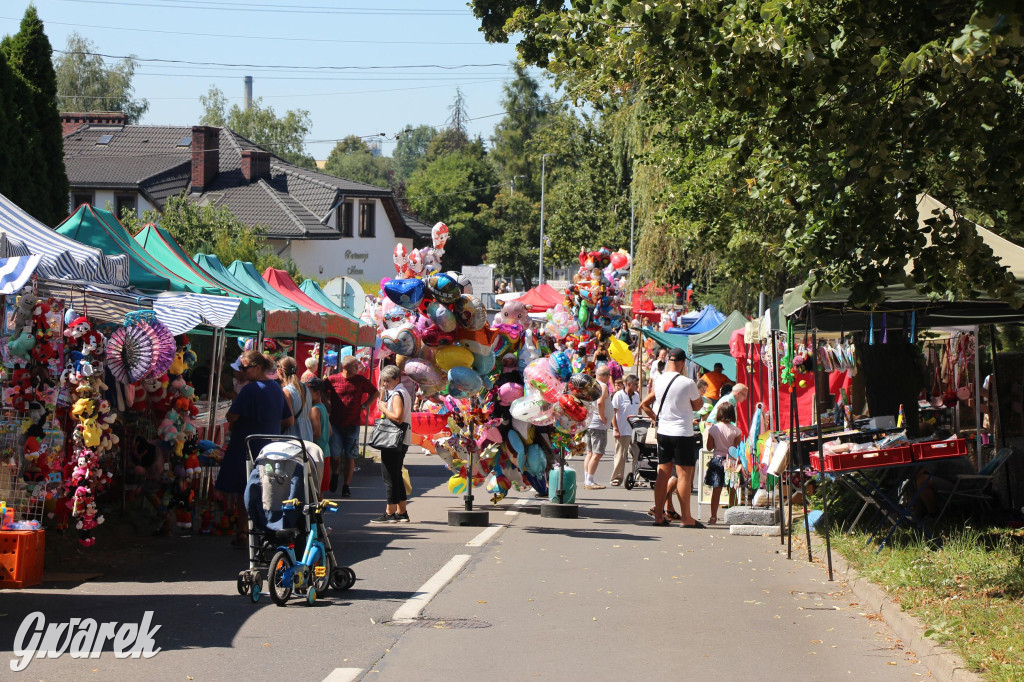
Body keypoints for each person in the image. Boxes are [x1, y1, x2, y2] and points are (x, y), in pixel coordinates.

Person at [216, 350, 293, 543]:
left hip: (248, 445)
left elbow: (231, 417)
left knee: (245, 487)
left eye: (245, 367)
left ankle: (243, 530)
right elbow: (288, 419)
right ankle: (268, 528)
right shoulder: (276, 388)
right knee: (268, 488)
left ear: (257, 368)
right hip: (271, 446)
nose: (241, 371)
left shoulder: (249, 390)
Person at [639, 347, 705, 528]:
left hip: (663, 432)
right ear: (683, 362)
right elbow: (697, 406)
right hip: (682, 432)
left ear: (668, 360)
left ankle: (659, 516)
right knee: (684, 475)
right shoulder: (687, 382)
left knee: (662, 473)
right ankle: (686, 518)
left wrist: (656, 419)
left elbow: (646, 404)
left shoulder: (658, 380)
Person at [326, 355, 378, 496]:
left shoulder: (360, 380)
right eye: (355, 365)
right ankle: (336, 472)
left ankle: (346, 486)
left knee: (351, 455)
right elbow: (322, 393)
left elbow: (375, 393)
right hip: (336, 423)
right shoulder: (333, 379)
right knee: (335, 454)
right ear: (346, 367)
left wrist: (365, 406)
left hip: (353, 423)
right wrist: (327, 405)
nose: (358, 368)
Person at [371, 365, 413, 523]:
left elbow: (398, 417)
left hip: (394, 439)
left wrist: (383, 408)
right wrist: (383, 394)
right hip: (401, 439)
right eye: (383, 381)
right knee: (396, 474)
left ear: (397, 379)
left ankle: (390, 512)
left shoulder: (397, 394)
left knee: (389, 476)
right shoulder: (400, 392)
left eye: (388, 381)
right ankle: (402, 512)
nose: (385, 384)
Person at [704, 402, 742, 524]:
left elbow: (709, 447)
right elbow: (736, 448)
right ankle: (733, 515)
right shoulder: (737, 431)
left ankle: (713, 517)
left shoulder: (714, 429)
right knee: (732, 489)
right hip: (731, 462)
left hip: (717, 461)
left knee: (716, 490)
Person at [583, 365, 613, 490]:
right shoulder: (603, 386)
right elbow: (600, 402)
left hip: (591, 422)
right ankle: (589, 481)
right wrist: (603, 417)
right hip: (598, 424)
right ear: (605, 376)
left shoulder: (592, 385)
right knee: (597, 453)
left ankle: (587, 479)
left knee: (590, 453)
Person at [610, 373, 641, 486]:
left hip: (635, 430)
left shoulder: (637, 395)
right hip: (622, 429)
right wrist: (616, 428)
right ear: (628, 384)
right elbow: (613, 413)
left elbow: (639, 411)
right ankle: (617, 477)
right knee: (620, 455)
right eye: (636, 384)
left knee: (638, 454)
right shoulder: (618, 395)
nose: (638, 387)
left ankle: (636, 477)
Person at [279, 357, 313, 443]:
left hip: (292, 439)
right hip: (307, 436)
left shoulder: (286, 391)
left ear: (280, 371)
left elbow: (289, 421)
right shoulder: (305, 388)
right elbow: (308, 414)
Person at [306, 378, 332, 475]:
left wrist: (306, 444)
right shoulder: (323, 407)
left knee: (315, 487)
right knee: (320, 488)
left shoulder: (314, 409)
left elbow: (316, 433)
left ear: (317, 393)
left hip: (316, 454)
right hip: (326, 452)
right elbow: (330, 432)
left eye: (309, 392)